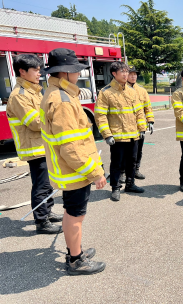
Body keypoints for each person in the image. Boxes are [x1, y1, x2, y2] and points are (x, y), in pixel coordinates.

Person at [41, 48, 107, 275]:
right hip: (74, 171)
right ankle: (75, 260)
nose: (78, 75)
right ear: (65, 72)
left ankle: (74, 249)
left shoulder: (59, 94)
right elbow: (71, 148)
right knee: (75, 215)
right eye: (75, 71)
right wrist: (95, 173)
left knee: (73, 212)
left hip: (70, 169)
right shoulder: (63, 101)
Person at [7, 54, 63, 234]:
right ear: (22, 72)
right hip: (35, 148)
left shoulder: (33, 91)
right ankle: (42, 221)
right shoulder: (19, 96)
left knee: (48, 183)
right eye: (35, 71)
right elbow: (35, 122)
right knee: (41, 185)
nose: (39, 74)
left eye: (40, 70)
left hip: (43, 145)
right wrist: (57, 119)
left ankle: (47, 211)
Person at [95, 62, 147, 201]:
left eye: (127, 71)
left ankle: (130, 184)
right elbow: (100, 115)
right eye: (122, 72)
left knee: (132, 161)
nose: (126, 74)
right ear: (114, 74)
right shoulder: (106, 92)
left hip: (133, 135)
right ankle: (115, 188)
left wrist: (142, 128)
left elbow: (139, 112)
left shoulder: (132, 91)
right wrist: (107, 134)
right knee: (117, 163)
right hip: (117, 137)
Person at [118, 65, 154, 181]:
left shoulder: (142, 90)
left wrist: (150, 121)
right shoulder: (121, 89)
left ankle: (135, 170)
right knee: (125, 152)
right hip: (126, 127)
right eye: (131, 74)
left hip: (140, 126)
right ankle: (122, 172)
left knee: (138, 150)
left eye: (135, 74)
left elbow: (147, 107)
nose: (133, 76)